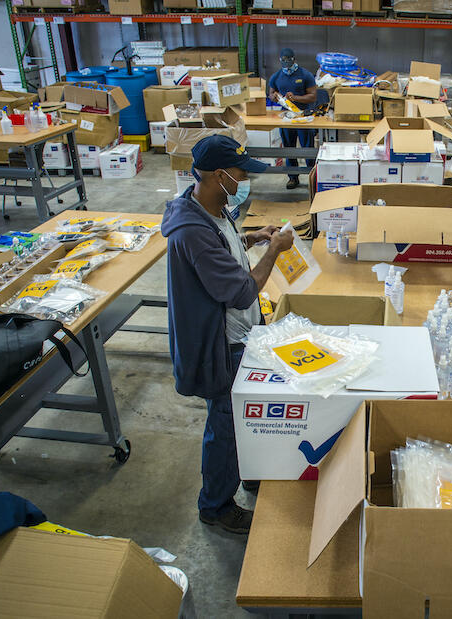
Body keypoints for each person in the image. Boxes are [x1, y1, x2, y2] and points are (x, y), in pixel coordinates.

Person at [161, 135, 294, 534]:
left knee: (242, 417)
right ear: (219, 176)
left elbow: (221, 243)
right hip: (220, 344)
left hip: (239, 335)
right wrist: (274, 251)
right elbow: (239, 291)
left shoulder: (211, 209)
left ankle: (248, 470)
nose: (244, 179)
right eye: (240, 173)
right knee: (228, 425)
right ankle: (216, 505)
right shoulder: (192, 232)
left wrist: (249, 238)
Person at [268, 47, 318, 190]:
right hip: (286, 117)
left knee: (307, 148)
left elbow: (313, 96)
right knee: (289, 148)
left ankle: (312, 177)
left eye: (289, 62)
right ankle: (293, 178)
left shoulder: (305, 75)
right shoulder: (276, 76)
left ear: (294, 60)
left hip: (303, 116)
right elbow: (271, 93)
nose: (286, 65)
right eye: (283, 62)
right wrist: (275, 97)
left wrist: (295, 97)